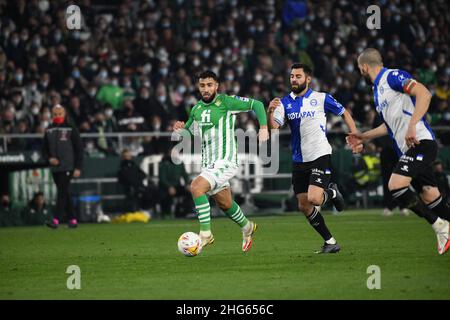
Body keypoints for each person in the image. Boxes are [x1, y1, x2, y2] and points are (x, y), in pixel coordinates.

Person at [347, 48, 450, 255]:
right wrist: (363, 136)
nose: (361, 74)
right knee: (430, 195)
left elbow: (424, 93)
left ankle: (440, 227)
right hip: (408, 148)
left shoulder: (392, 76)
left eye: (360, 70)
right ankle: (445, 224)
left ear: (364, 67)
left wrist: (413, 125)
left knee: (396, 185)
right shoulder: (377, 93)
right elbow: (389, 126)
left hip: (421, 142)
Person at [173, 70, 269, 252]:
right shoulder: (196, 109)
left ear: (216, 86)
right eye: (202, 85)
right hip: (209, 163)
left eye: (210, 85)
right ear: (198, 87)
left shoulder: (226, 102)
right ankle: (247, 227)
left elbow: (256, 104)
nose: (206, 89)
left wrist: (263, 127)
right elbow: (189, 133)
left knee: (196, 187)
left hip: (226, 161)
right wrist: (179, 129)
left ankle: (205, 234)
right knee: (225, 203)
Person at [268, 63, 358, 254]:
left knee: (315, 198)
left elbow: (345, 113)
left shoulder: (321, 98)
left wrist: (355, 135)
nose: (294, 79)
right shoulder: (284, 103)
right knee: (304, 205)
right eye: (292, 76)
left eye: (298, 76)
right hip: (299, 159)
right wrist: (269, 113)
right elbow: (274, 128)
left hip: (320, 154)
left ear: (308, 79)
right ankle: (330, 242)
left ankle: (332, 193)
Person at [42, 104, 83, 228]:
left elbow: (79, 149)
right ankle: (72, 219)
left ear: (64, 114)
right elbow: (44, 149)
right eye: (55, 114)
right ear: (52, 115)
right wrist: (50, 158)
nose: (57, 116)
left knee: (61, 193)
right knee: (64, 192)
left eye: (60, 114)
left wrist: (78, 167)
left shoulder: (71, 129)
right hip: (55, 168)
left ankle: (56, 220)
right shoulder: (49, 130)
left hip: (68, 166)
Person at [117, 149, 156, 214]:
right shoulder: (122, 167)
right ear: (123, 157)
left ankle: (146, 209)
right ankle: (134, 211)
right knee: (133, 195)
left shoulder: (134, 165)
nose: (127, 157)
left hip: (139, 186)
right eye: (125, 156)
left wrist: (138, 181)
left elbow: (143, 174)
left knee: (152, 191)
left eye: (128, 155)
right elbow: (124, 179)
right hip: (130, 188)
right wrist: (134, 183)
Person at [158, 149, 193, 218]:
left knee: (190, 192)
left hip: (177, 186)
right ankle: (166, 213)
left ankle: (187, 211)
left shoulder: (180, 163)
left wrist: (187, 184)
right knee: (165, 195)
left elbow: (185, 175)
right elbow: (162, 179)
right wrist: (169, 187)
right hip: (165, 187)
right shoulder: (164, 164)